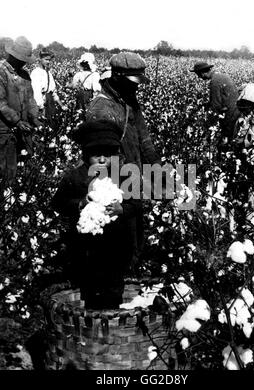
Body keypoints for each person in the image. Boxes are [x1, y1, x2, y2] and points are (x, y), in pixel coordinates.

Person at [52, 119, 142, 309]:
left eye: (107, 155)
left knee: (114, 286)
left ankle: (112, 320)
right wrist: (80, 203)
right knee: (90, 288)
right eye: (96, 155)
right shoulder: (75, 177)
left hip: (116, 245)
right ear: (85, 155)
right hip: (86, 248)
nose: (102, 160)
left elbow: (137, 203)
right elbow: (58, 203)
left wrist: (122, 209)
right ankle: (91, 323)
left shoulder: (123, 176)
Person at [86, 51, 162, 272]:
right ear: (117, 76)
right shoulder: (101, 108)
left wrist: (158, 171)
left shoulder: (129, 100)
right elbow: (104, 156)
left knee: (135, 230)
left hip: (131, 176)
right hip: (112, 181)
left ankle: (131, 273)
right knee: (116, 238)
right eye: (132, 82)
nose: (136, 87)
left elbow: (144, 138)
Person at [0, 36, 41, 188]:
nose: (24, 62)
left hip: (23, 126)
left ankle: (22, 201)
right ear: (13, 56)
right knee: (8, 170)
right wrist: (18, 122)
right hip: (4, 128)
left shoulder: (25, 75)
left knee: (25, 165)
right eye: (22, 59)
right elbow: (1, 104)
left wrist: (36, 118)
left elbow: (31, 100)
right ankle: (5, 205)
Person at [190, 62, 240, 144]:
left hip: (229, 115)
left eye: (198, 74)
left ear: (202, 72)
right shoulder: (223, 76)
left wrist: (208, 121)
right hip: (236, 111)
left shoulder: (214, 82)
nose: (199, 77)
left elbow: (216, 105)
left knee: (226, 141)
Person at [30, 48, 67, 129]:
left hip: (50, 103)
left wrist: (62, 105)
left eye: (49, 60)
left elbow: (53, 92)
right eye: (46, 59)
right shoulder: (36, 73)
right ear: (40, 59)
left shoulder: (48, 73)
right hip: (42, 105)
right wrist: (41, 108)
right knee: (43, 127)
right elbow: (36, 94)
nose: (48, 62)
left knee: (52, 126)